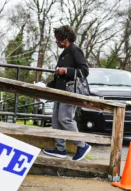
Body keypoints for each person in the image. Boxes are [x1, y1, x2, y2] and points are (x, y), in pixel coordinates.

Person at [43, 25, 91, 161]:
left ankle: (82, 145)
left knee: (65, 119)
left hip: (69, 93)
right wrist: (48, 86)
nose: (56, 41)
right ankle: (60, 148)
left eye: (57, 39)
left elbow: (84, 71)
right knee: (56, 120)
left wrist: (66, 70)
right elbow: (60, 77)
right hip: (60, 92)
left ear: (65, 38)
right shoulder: (65, 52)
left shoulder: (75, 51)